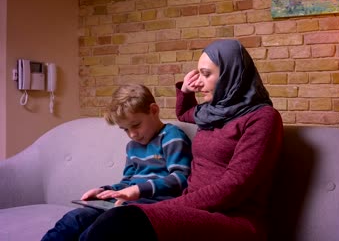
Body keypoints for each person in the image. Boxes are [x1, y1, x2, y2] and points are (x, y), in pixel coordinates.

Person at [80, 39, 284, 241]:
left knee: (121, 221)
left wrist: (160, 207)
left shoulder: (263, 118)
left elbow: (234, 187)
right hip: (192, 209)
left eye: (206, 74)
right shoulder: (212, 112)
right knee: (90, 219)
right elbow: (185, 113)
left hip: (232, 218)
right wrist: (185, 90)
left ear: (231, 74)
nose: (199, 82)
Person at [41, 84, 192, 241]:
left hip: (148, 207)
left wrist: (138, 190)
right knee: (73, 219)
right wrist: (105, 191)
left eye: (136, 125)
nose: (132, 134)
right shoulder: (132, 146)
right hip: (122, 203)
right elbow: (127, 182)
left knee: (93, 233)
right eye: (125, 129)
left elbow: (181, 178)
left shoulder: (171, 136)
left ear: (153, 110)